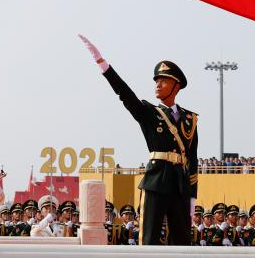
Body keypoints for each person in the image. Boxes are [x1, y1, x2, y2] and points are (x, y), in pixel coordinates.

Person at [81, 35, 198, 245]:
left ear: (176, 85)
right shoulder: (149, 112)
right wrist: (103, 65)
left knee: (182, 242)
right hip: (156, 181)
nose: (157, 85)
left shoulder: (190, 119)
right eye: (156, 81)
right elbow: (125, 94)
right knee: (149, 237)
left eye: (163, 81)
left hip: (180, 185)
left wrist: (192, 197)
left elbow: (193, 159)